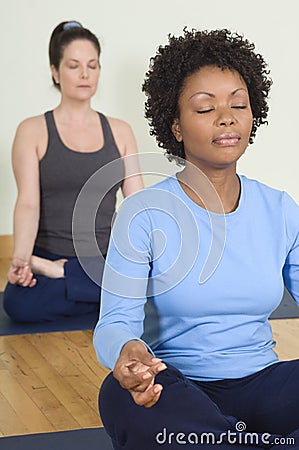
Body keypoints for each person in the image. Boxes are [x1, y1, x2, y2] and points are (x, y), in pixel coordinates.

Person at [93, 29, 299, 449]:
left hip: (265, 388)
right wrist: (129, 352)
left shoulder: (280, 209)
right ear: (176, 127)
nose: (227, 117)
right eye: (206, 108)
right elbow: (115, 322)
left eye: (238, 105)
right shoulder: (143, 212)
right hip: (177, 389)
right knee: (122, 397)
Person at [3, 20, 143, 322]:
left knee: (157, 283)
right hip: (50, 252)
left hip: (105, 260)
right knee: (17, 303)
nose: (85, 74)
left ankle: (66, 277)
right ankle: (102, 296)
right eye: (74, 65)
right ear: (55, 71)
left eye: (93, 66)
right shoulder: (32, 131)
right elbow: (28, 202)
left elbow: (137, 203)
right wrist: (22, 259)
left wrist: (146, 259)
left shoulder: (120, 131)